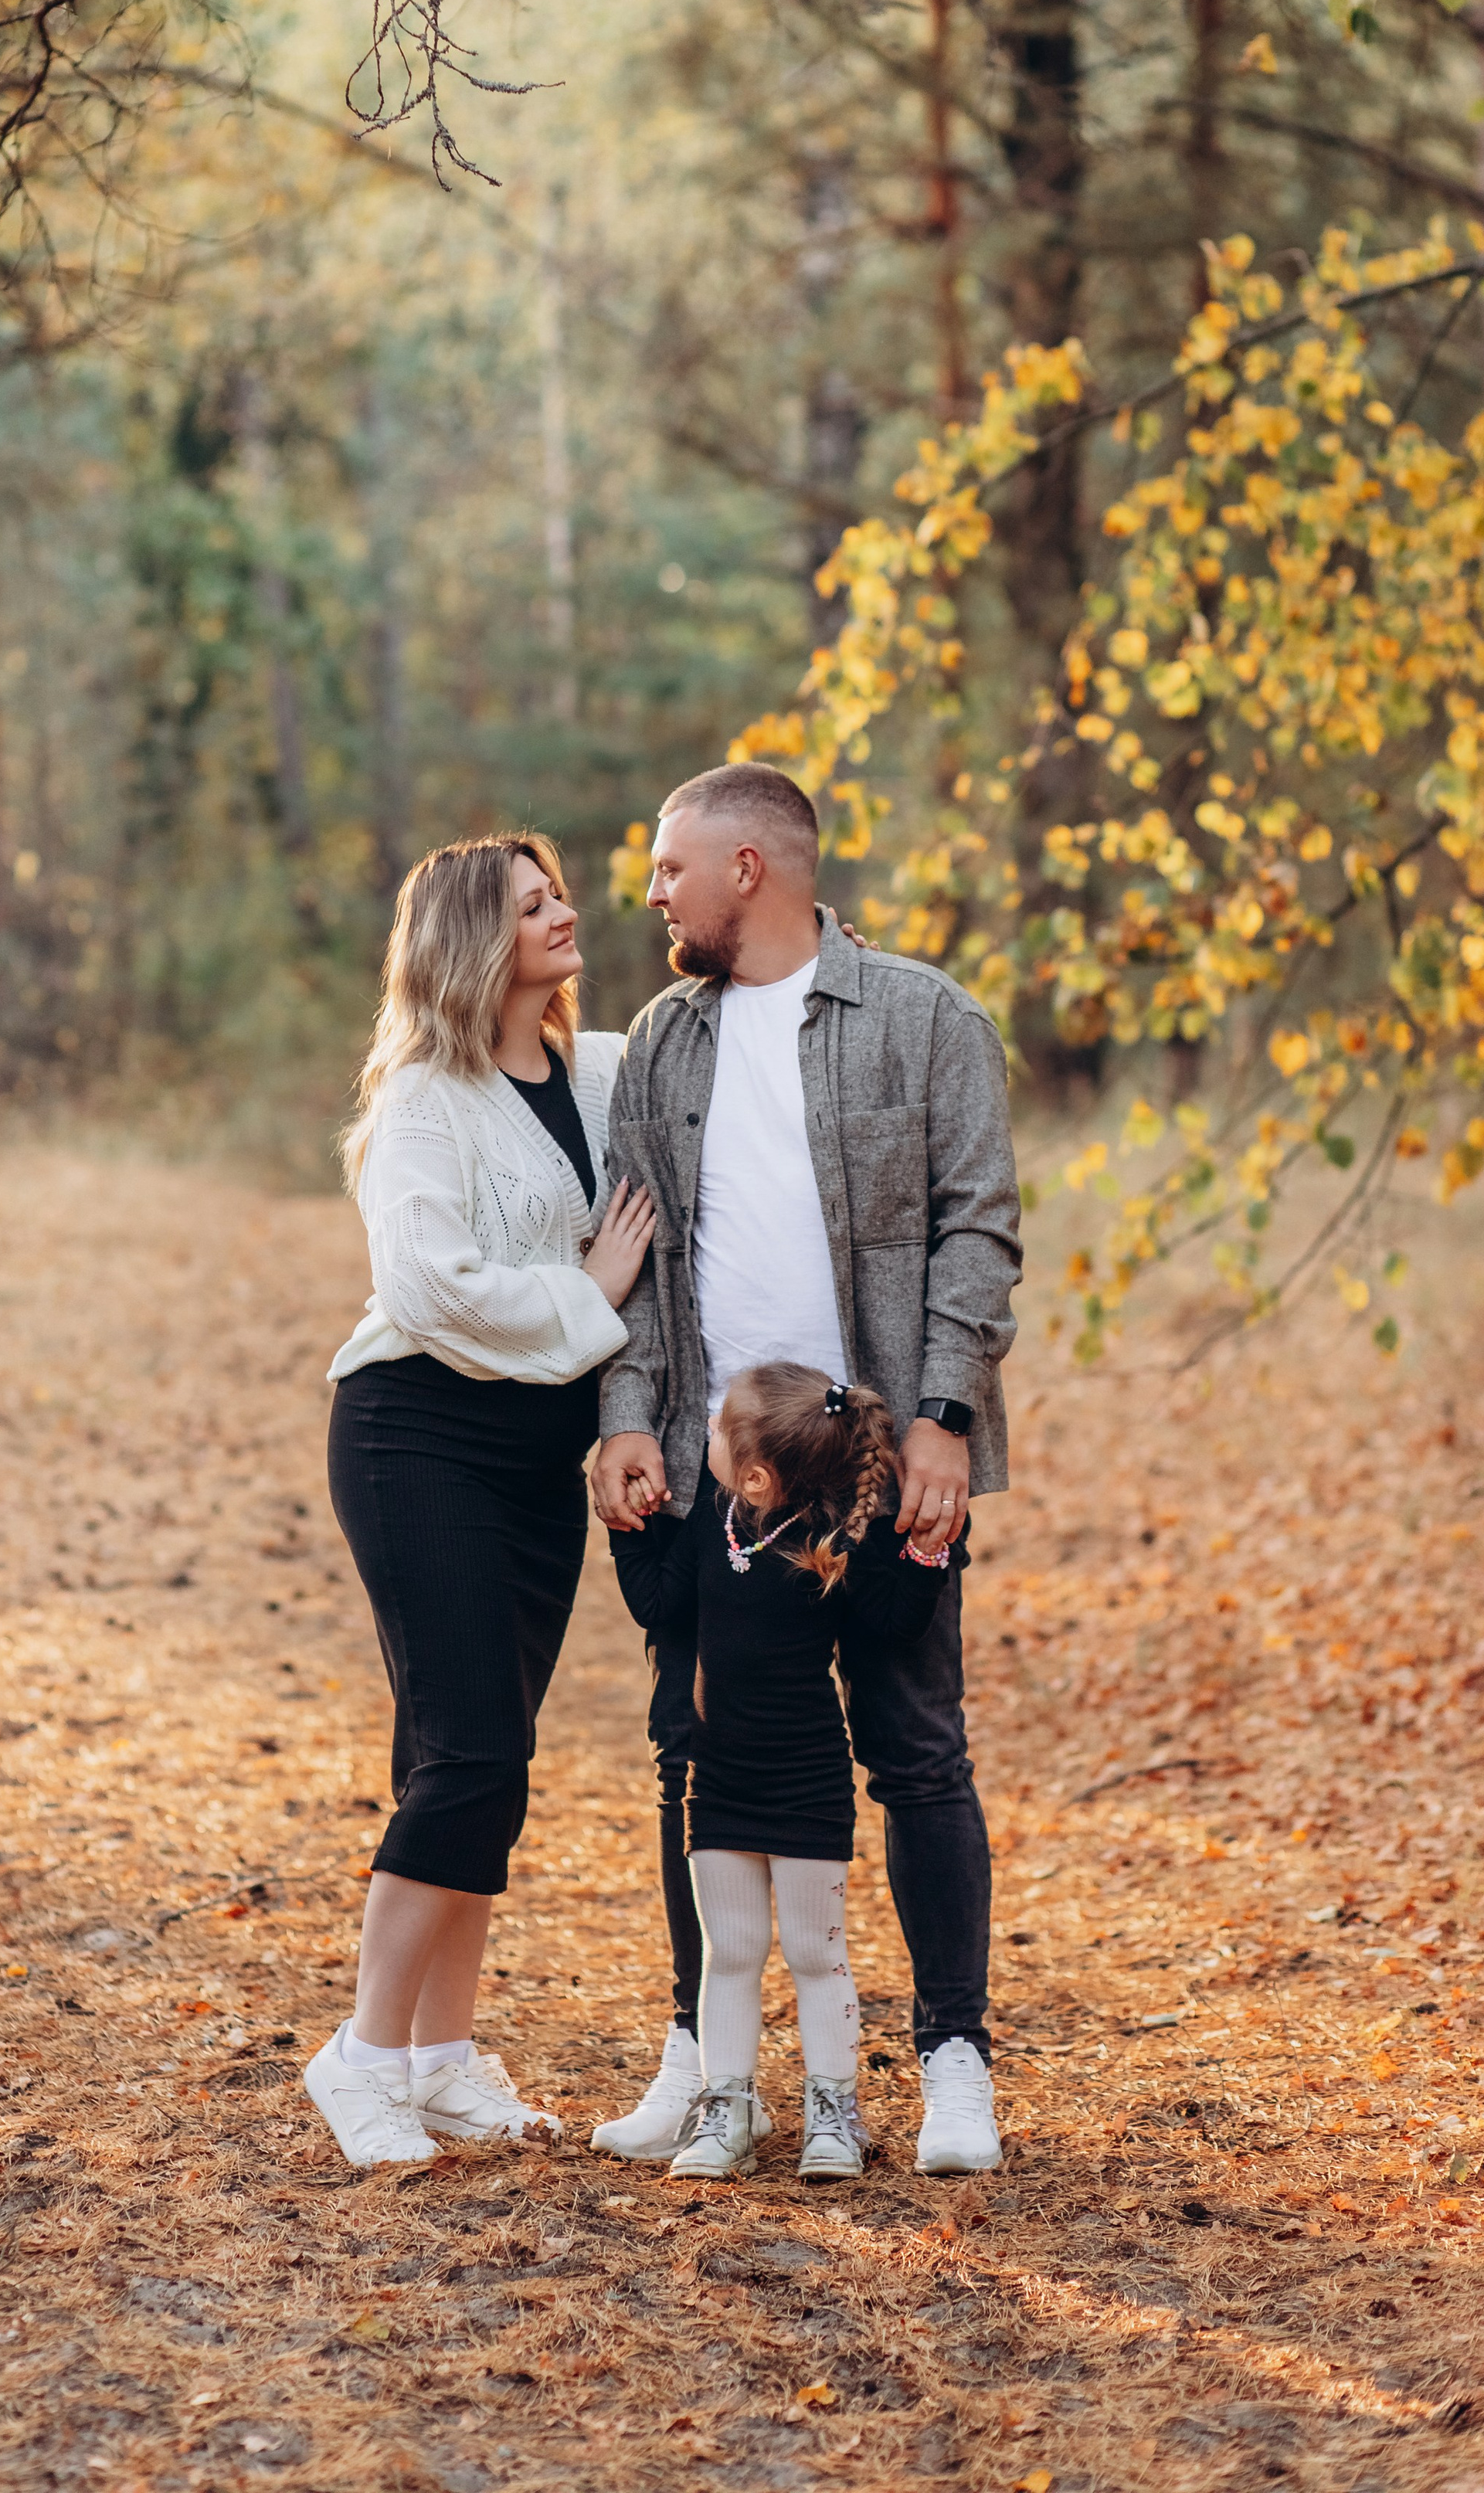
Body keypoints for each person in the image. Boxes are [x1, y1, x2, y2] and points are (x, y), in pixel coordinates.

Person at [589, 761, 1021, 2176]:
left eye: (669, 868)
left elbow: (980, 1229)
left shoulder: (923, 1018)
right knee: (694, 1756)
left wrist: (944, 1416)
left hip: (877, 1466)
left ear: (749, 870)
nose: (652, 892)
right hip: (726, 1472)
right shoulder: (662, 1041)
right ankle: (705, 2068)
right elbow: (635, 1256)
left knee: (917, 1751)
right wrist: (627, 1415)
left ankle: (953, 2063)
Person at [304, 833, 657, 2171]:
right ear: (471, 937)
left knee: (485, 1763)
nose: (567, 913)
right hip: (417, 1437)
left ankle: (441, 2062)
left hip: (530, 1459)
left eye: (558, 892)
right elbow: (427, 1286)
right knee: (467, 1758)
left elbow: (726, 1056)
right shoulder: (423, 1099)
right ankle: (362, 2055)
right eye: (533, 903)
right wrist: (593, 1298)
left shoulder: (603, 1069)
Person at [607, 1360, 949, 2181]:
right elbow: (659, 1605)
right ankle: (725, 2108)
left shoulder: (831, 1542)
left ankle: (833, 2113)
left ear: (756, 1470)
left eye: (719, 1432)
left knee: (813, 1952)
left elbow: (896, 1624)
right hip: (718, 1780)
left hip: (806, 1783)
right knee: (729, 1951)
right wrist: (633, 1530)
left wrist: (929, 1553)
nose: (706, 1439)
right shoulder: (712, 1525)